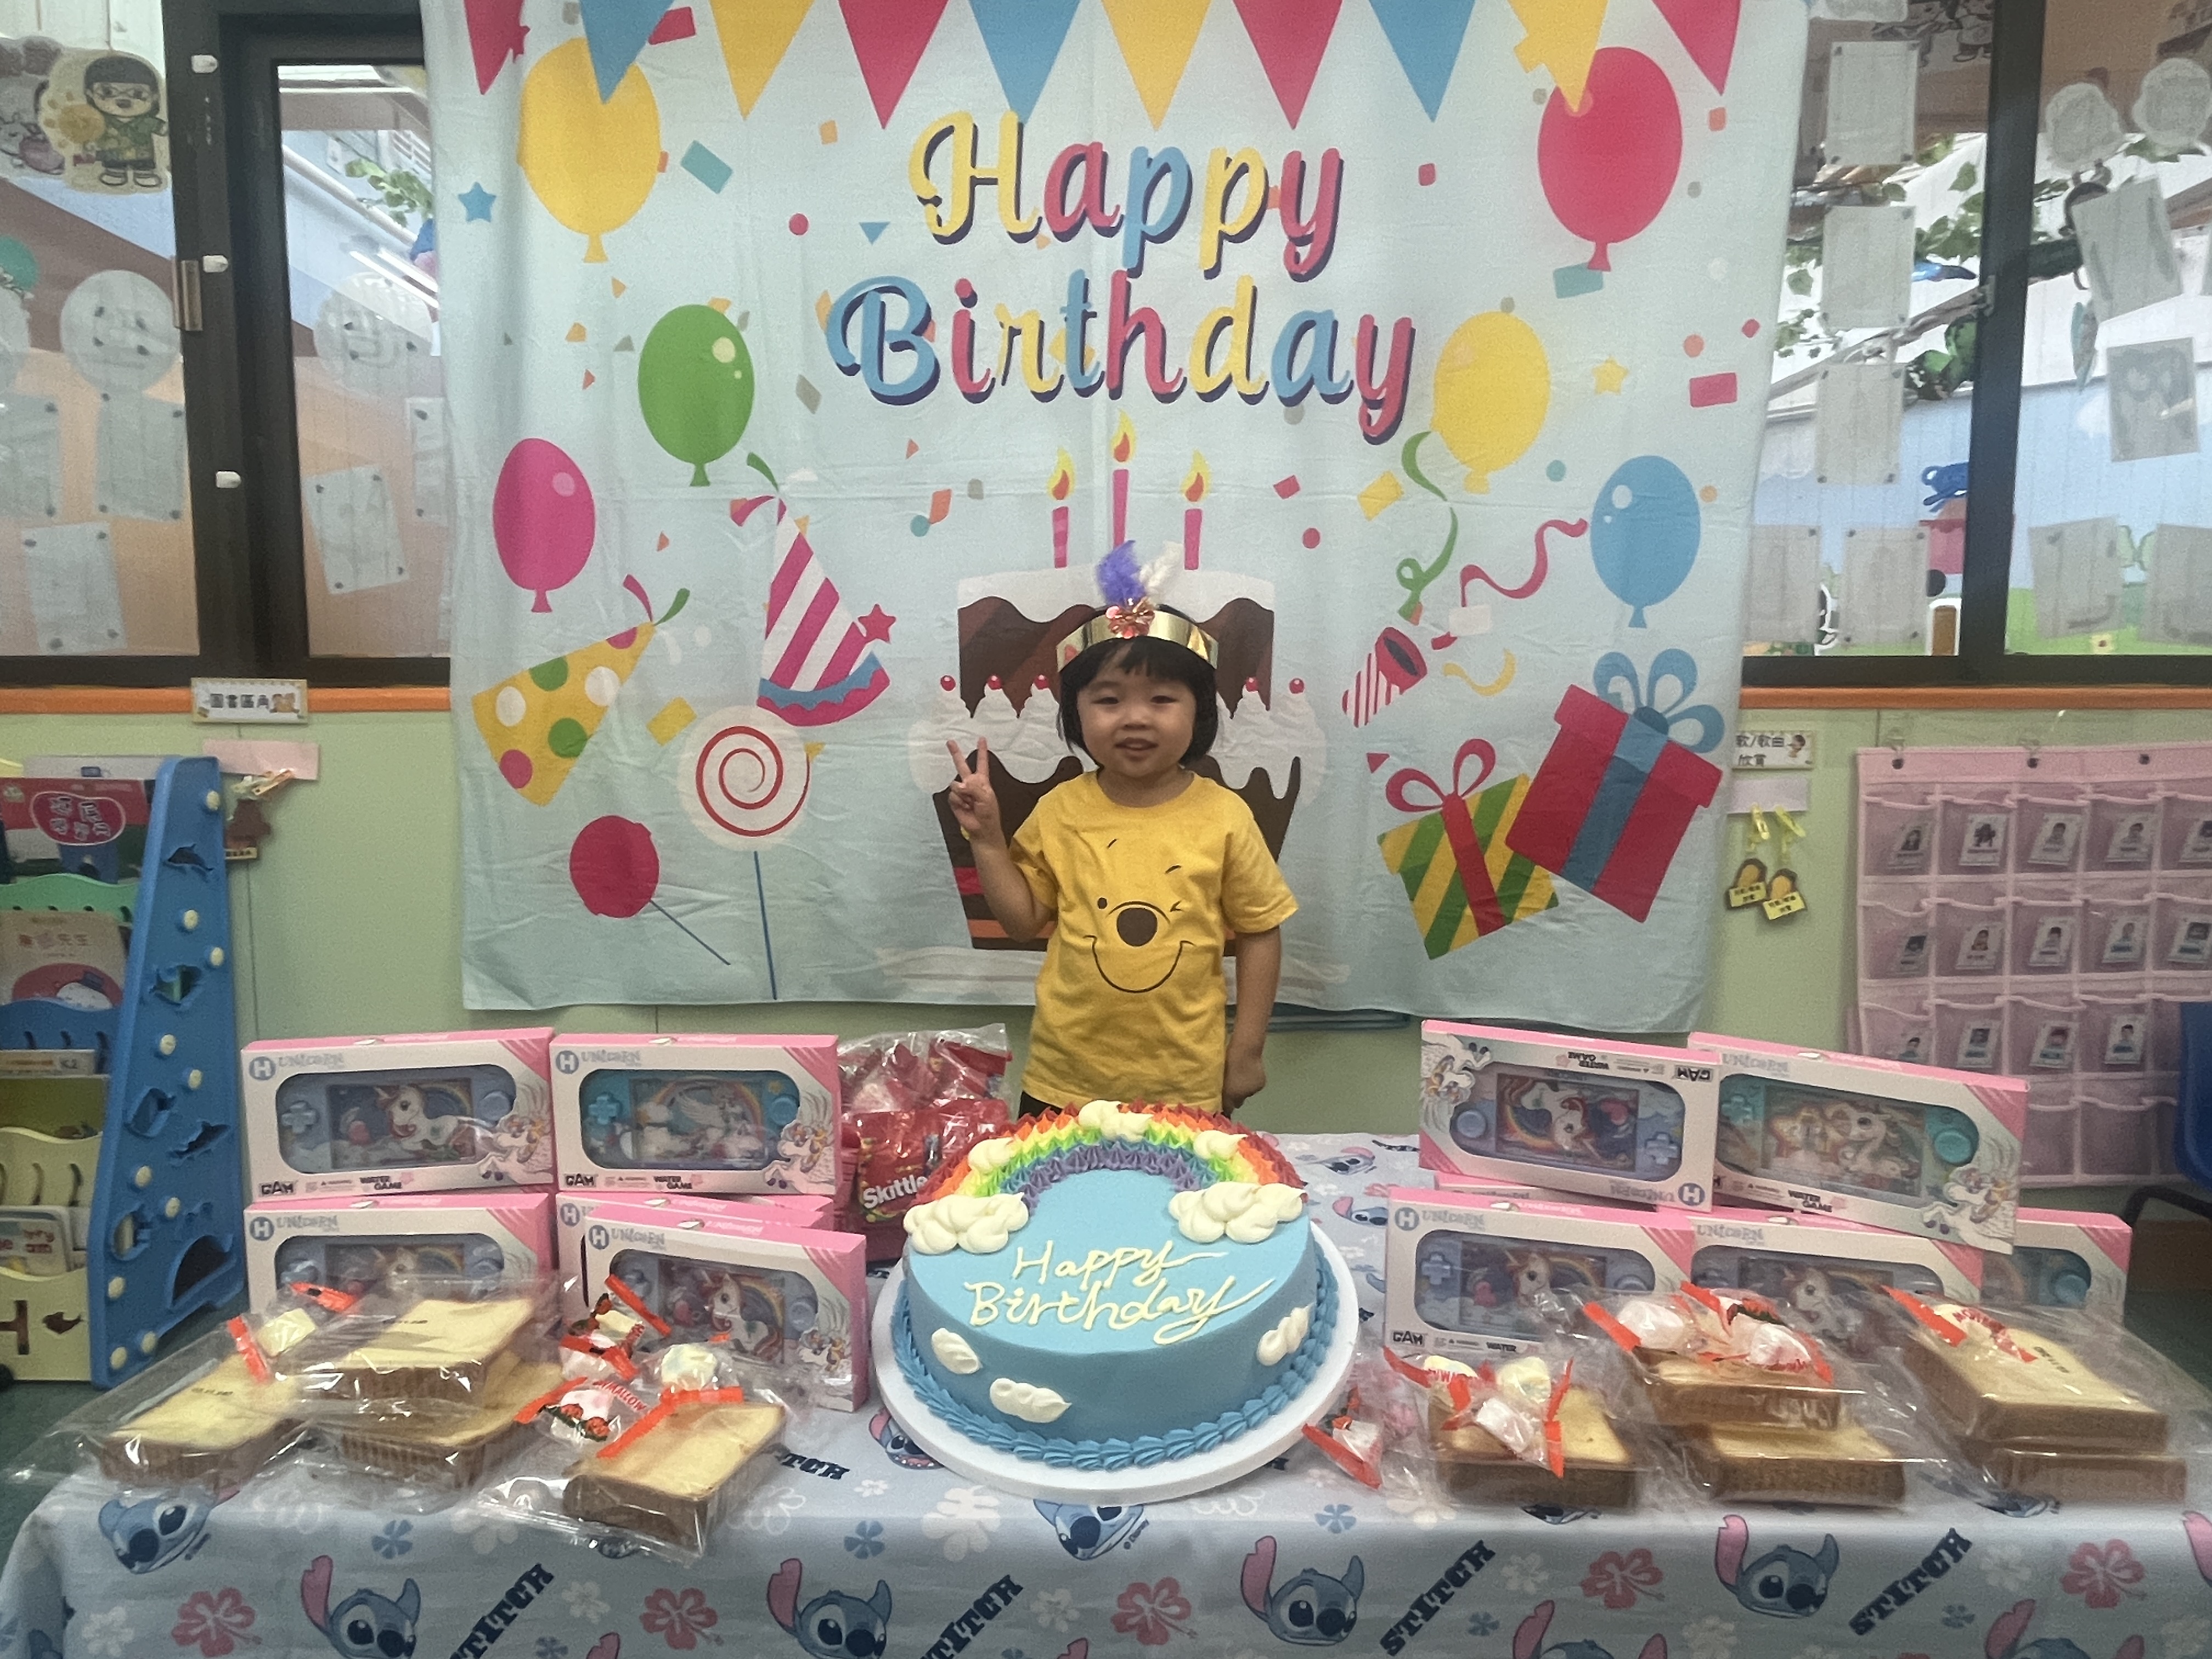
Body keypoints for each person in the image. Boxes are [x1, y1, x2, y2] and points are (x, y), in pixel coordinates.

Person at [945, 547, 1296, 1114]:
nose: (1135, 717)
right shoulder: (1061, 809)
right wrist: (987, 840)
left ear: (1199, 712)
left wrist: (1248, 1049)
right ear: (1076, 713)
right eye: (1108, 700)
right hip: (1063, 1083)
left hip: (1185, 1087)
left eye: (1162, 699)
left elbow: (1261, 931)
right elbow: (1022, 921)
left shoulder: (1226, 817)